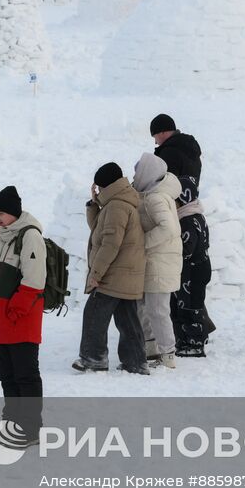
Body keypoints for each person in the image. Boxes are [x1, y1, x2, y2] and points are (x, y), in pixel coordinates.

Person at [0, 185, 46, 443]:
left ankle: (30, 428)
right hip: (1, 320)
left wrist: (15, 310)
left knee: (25, 375)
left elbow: (34, 280)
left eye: (0, 213)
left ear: (14, 213)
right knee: (6, 374)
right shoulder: (2, 236)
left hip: (20, 319)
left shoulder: (29, 236)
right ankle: (11, 421)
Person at [149, 115, 214, 356]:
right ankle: (197, 333)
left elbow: (159, 185)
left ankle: (191, 341)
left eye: (155, 135)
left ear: (163, 132)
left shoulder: (167, 155)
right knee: (195, 286)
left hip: (179, 217)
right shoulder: (192, 151)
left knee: (183, 287)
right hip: (192, 213)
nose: (155, 141)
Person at [75, 163, 148, 374]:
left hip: (115, 273)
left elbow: (110, 244)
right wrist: (95, 203)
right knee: (127, 319)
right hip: (126, 272)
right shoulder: (119, 202)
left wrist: (96, 274)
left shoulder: (116, 206)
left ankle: (93, 358)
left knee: (94, 313)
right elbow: (99, 228)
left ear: (104, 185)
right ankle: (136, 361)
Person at [132, 153, 181, 370]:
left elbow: (168, 228)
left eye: (137, 172)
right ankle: (150, 347)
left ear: (146, 173)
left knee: (158, 310)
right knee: (144, 306)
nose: (135, 176)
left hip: (159, 262)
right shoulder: (152, 194)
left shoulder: (155, 197)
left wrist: (142, 243)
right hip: (153, 262)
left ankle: (168, 354)